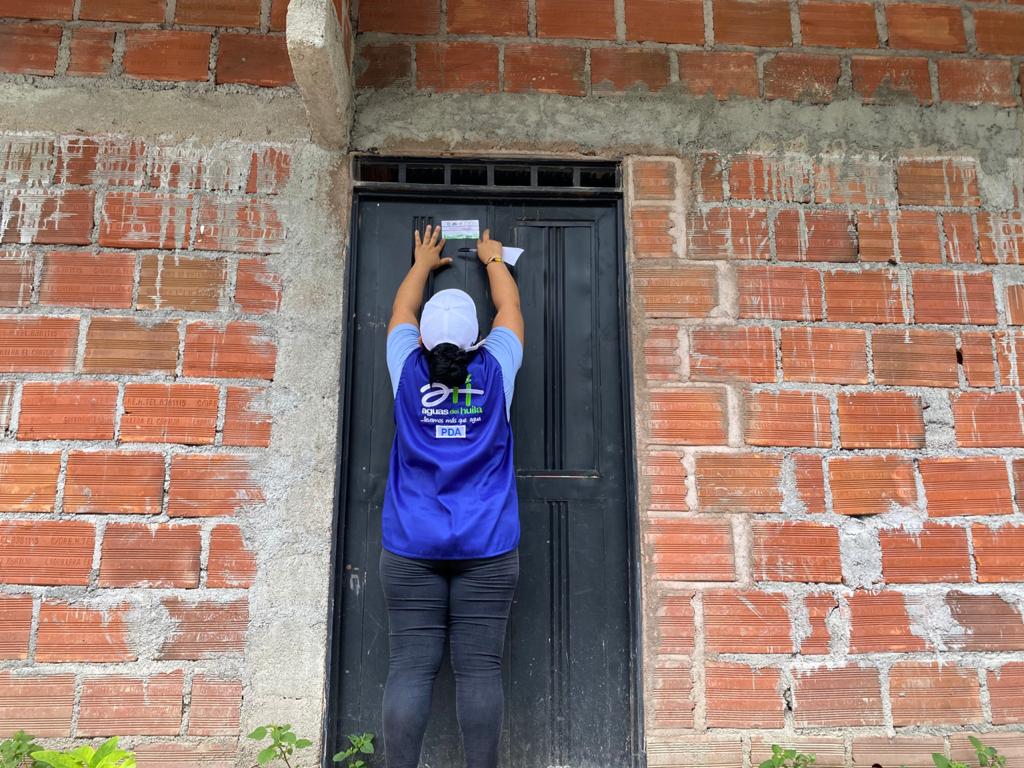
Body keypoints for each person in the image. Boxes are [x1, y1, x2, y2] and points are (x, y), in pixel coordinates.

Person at [379, 223, 525, 768]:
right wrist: (492, 260)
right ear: (476, 339)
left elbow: (402, 310)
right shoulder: (497, 367)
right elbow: (509, 309)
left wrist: (421, 264)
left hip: (410, 544)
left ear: (421, 339)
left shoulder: (405, 366)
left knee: (410, 668)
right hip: (488, 545)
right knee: (480, 670)